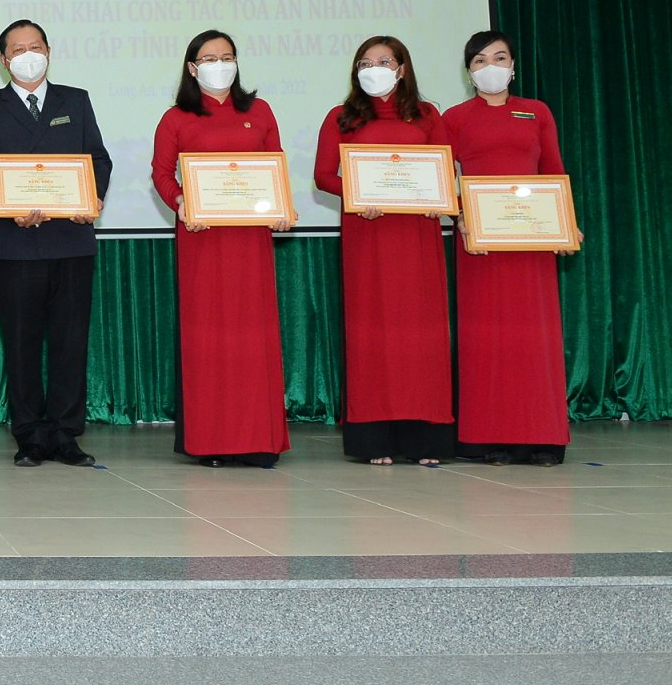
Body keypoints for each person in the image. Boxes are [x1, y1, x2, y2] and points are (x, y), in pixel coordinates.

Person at [0, 20, 112, 468]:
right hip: (15, 243)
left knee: (70, 343)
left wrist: (91, 198)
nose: (28, 55)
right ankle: (29, 435)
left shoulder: (76, 100)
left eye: (35, 47)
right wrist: (8, 205)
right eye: (17, 49)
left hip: (71, 240)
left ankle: (66, 434)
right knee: (21, 344)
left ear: (48, 51)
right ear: (3, 59)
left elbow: (98, 159)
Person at [435, 30, 576, 466]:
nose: (490, 67)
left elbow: (554, 171)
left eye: (499, 58)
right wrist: (459, 217)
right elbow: (440, 178)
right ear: (469, 71)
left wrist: (566, 224)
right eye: (480, 61)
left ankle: (543, 437)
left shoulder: (537, 112)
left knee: (535, 338)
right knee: (487, 339)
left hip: (532, 241)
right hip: (479, 244)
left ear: (513, 66)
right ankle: (489, 437)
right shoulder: (454, 118)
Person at [151, 30, 292, 467]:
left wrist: (281, 207)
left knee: (254, 335)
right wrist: (180, 202)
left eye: (227, 56)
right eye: (209, 58)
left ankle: (259, 440)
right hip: (202, 239)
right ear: (193, 68)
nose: (220, 64)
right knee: (208, 338)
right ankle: (211, 441)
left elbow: (275, 166)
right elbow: (161, 174)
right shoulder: (176, 118)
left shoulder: (260, 111)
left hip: (250, 241)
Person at [313, 37, 455, 466]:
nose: (373, 69)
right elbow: (324, 175)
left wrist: (440, 198)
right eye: (364, 63)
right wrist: (357, 194)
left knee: (422, 333)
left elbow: (445, 170)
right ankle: (374, 440)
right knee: (371, 332)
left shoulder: (428, 115)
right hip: (368, 234)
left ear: (402, 68)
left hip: (417, 235)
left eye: (383, 61)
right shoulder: (341, 116)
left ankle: (426, 440)